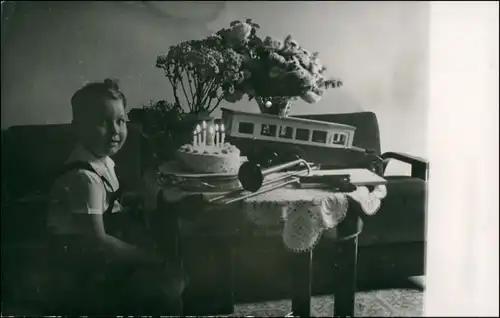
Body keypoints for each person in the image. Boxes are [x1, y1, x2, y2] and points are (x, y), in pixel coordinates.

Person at [46, 78, 186, 316]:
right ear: (78, 126)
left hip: (100, 258)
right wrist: (149, 258)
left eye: (120, 121)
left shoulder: (102, 162)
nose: (115, 130)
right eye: (102, 121)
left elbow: (107, 203)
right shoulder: (84, 177)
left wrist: (144, 194)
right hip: (84, 270)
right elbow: (97, 243)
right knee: (167, 283)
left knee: (173, 268)